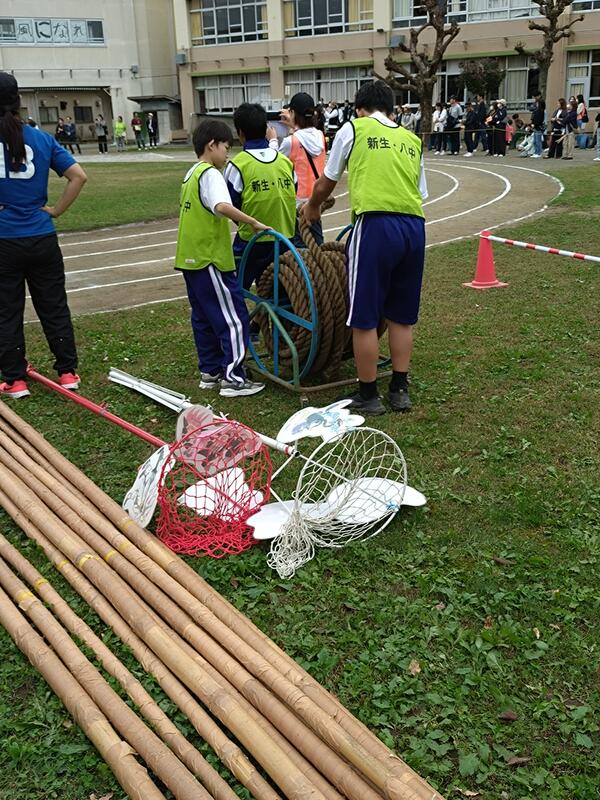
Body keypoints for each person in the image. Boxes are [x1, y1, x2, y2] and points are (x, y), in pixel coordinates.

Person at [302, 80, 428, 415]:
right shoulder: (411, 140)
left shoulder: (353, 129)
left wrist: (312, 206)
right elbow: (420, 192)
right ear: (390, 110)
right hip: (414, 228)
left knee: (364, 317)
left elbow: (326, 181)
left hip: (375, 226)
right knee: (401, 316)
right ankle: (399, 389)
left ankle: (368, 395)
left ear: (359, 109)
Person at [0, 72, 87, 399]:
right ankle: (67, 372)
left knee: (6, 310)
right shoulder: (41, 138)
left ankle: (15, 379)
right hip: (41, 236)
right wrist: (56, 211)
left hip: (4, 239)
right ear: (18, 100)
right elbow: (78, 176)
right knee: (53, 305)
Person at [175, 119, 267, 397]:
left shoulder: (191, 174)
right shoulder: (211, 174)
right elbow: (222, 206)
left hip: (190, 258)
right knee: (234, 318)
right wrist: (252, 222)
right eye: (226, 147)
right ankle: (234, 378)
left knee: (203, 317)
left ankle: (211, 371)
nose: (228, 154)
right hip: (210, 259)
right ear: (211, 145)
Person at [224, 103, 296, 294]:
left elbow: (231, 205)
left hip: (251, 242)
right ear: (266, 129)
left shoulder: (237, 165)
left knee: (234, 290)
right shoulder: (285, 162)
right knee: (281, 292)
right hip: (285, 240)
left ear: (240, 133)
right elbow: (292, 193)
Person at [268, 92, 326, 245]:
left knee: (299, 248)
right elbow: (305, 136)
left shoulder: (291, 141)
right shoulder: (320, 136)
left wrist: (273, 140)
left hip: (298, 204)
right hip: (316, 200)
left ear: (293, 113)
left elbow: (273, 162)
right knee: (316, 243)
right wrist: (294, 125)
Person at [530, 93, 545, 158]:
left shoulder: (541, 110)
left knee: (538, 140)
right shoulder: (536, 110)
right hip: (535, 124)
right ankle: (536, 152)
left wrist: (535, 123)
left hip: (538, 125)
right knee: (535, 140)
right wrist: (532, 122)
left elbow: (540, 118)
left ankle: (538, 153)